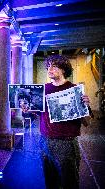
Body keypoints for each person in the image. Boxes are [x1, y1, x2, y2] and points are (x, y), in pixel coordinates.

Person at [40, 55, 91, 189]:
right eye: (48, 66)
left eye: (54, 66)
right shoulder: (43, 89)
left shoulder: (74, 90)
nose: (49, 69)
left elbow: (87, 122)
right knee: (50, 182)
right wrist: (26, 108)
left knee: (69, 183)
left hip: (66, 143)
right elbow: (34, 112)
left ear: (63, 70)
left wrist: (84, 106)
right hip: (45, 141)